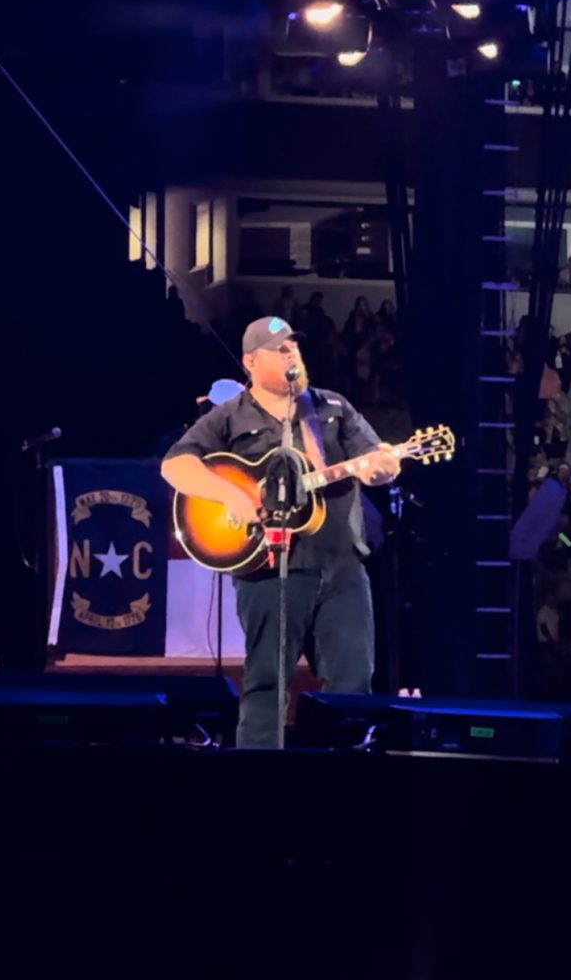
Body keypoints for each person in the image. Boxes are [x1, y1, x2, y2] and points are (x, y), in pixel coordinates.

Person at [160, 316, 400, 748]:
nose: (293, 354)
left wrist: (384, 465)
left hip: (341, 566)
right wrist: (231, 496)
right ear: (252, 362)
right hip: (268, 567)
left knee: (352, 686)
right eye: (281, 349)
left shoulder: (332, 408)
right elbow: (175, 465)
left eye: (294, 346)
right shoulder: (230, 417)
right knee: (267, 686)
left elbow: (378, 460)